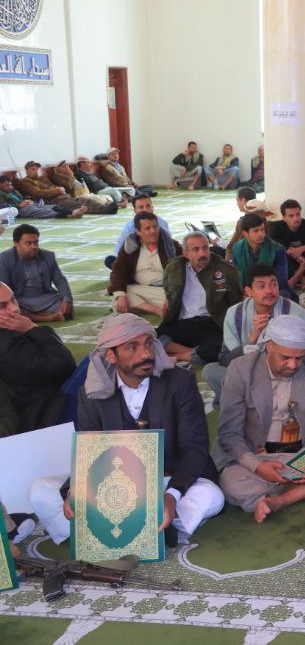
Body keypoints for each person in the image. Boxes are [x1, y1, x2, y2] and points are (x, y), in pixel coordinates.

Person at [29, 314, 224, 546]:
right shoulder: (92, 394)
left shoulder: (180, 383)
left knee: (211, 495)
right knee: (41, 490)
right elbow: (89, 451)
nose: (145, 354)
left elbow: (195, 448)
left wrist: (172, 495)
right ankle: (146, 530)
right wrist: (75, 491)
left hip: (168, 479)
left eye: (149, 344)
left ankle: (133, 528)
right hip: (114, 488)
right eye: (133, 347)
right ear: (111, 355)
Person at [217, 314, 305, 523]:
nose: (293, 365)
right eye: (286, 357)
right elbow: (229, 433)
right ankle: (300, 489)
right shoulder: (241, 369)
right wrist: (258, 467)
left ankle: (279, 499)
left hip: (302, 455)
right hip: (256, 455)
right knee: (231, 482)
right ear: (269, 346)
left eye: (299, 358)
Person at [202, 263, 304, 409]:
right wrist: (253, 337)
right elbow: (225, 359)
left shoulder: (295, 313)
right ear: (248, 291)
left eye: (273, 284)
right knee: (210, 371)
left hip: (282, 373)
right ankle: (258, 398)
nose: (269, 291)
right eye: (262, 286)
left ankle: (248, 399)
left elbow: (302, 359)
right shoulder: (235, 314)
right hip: (248, 372)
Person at [0, 281, 76, 437]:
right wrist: (32, 328)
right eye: (3, 306)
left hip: (46, 401)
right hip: (44, 413)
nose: (14, 308)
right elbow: (65, 367)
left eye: (13, 299)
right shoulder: (6, 343)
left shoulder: (11, 333)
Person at [158, 232, 241, 364]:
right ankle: (195, 353)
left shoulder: (224, 270)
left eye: (205, 248)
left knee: (224, 346)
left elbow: (236, 301)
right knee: (147, 335)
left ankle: (175, 355)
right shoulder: (175, 268)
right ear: (185, 254)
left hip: (211, 324)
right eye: (196, 250)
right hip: (182, 323)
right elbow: (168, 289)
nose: (202, 253)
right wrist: (168, 301)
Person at [109, 211, 180, 316]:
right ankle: (157, 310)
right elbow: (118, 271)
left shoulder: (170, 244)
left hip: (165, 291)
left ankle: (142, 307)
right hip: (142, 289)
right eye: (147, 228)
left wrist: (173, 292)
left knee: (180, 299)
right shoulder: (130, 246)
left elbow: (183, 270)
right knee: (119, 296)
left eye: (155, 227)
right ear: (138, 231)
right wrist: (121, 296)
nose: (153, 231)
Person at [0, 225, 74, 322]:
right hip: (20, 299)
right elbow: (4, 288)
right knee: (8, 311)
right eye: (28, 243)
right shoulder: (4, 259)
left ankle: (33, 316)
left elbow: (60, 279)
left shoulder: (48, 256)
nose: (34, 247)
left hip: (44, 298)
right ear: (16, 244)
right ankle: (46, 317)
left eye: (36, 242)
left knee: (66, 308)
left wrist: (67, 299)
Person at [230, 213, 293, 296]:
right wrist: (247, 292)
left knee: (283, 294)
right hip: (247, 291)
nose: (260, 234)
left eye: (262, 230)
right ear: (245, 234)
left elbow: (281, 281)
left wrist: (259, 293)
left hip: (272, 290)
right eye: (255, 231)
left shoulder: (277, 249)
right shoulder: (237, 248)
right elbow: (235, 275)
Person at [15, 161, 88, 217]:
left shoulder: (42, 179)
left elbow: (53, 186)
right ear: (27, 170)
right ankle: (74, 212)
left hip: (63, 197)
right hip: (51, 200)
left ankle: (74, 212)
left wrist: (59, 188)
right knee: (84, 204)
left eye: (37, 169)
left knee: (85, 200)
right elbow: (38, 192)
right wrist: (58, 190)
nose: (36, 171)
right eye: (33, 169)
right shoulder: (25, 182)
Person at [48, 160, 118, 213]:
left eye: (67, 166)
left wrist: (70, 175)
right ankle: (105, 209)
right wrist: (71, 176)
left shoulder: (69, 175)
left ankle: (109, 206)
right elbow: (69, 186)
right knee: (88, 202)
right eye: (64, 166)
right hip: (75, 195)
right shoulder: (57, 177)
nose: (67, 168)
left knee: (95, 199)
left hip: (80, 194)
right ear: (58, 169)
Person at [0, 175, 78, 220]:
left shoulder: (12, 191)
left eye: (10, 184)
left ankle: (71, 212)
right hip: (17, 210)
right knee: (41, 211)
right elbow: (2, 207)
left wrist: (28, 200)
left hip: (26, 205)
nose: (10, 187)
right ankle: (68, 214)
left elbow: (22, 198)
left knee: (51, 206)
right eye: (7, 185)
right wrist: (19, 206)